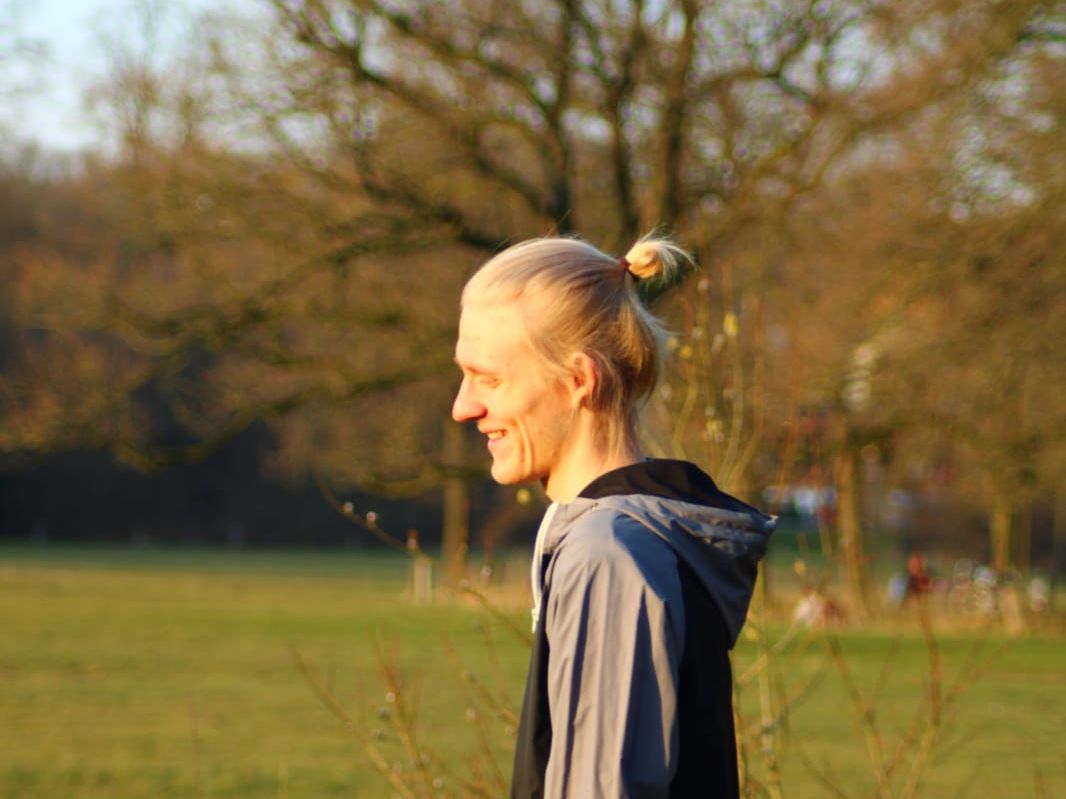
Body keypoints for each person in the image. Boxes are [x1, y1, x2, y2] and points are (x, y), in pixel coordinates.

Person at [451, 234, 775, 798]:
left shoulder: (610, 555)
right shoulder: (628, 537)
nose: (463, 406)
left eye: (490, 379)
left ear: (579, 380)